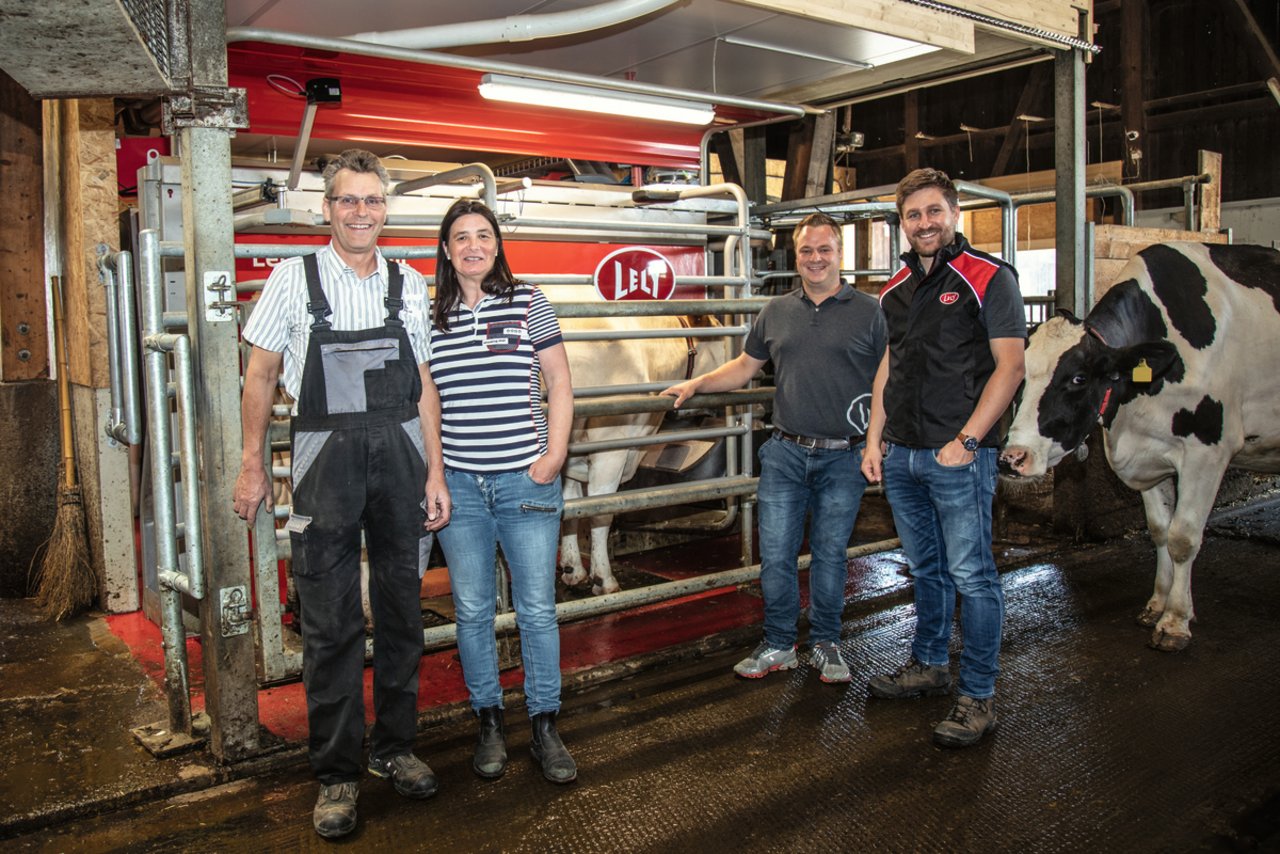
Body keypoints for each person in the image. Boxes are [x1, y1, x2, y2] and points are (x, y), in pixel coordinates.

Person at [232, 149, 450, 839]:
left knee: (401, 611)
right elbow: (260, 377)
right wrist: (250, 465)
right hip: (324, 460)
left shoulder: (408, 283)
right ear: (327, 209)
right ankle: (335, 773)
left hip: (401, 457)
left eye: (372, 201)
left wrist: (435, 471)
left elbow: (424, 385)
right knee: (329, 625)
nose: (361, 212)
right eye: (348, 201)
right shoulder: (291, 282)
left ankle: (394, 748)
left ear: (385, 209)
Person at [663, 212, 886, 684]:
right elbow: (746, 367)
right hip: (786, 450)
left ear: (840, 254)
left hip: (843, 455)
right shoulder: (776, 311)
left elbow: (887, 381)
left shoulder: (871, 312)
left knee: (830, 553)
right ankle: (780, 643)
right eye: (806, 250)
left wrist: (874, 441)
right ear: (796, 255)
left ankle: (826, 642)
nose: (815, 258)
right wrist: (696, 385)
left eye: (824, 249)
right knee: (778, 554)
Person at [860, 167, 1026, 749]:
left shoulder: (989, 277)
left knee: (973, 575)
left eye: (934, 211)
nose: (924, 223)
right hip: (903, 455)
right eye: (913, 215)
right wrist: (875, 439)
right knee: (925, 569)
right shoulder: (894, 289)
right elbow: (890, 367)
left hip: (957, 457)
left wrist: (969, 442)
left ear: (954, 214)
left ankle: (978, 695)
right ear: (901, 224)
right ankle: (930, 665)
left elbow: (1010, 367)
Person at [428, 198, 577, 784]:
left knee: (536, 609)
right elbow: (428, 401)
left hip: (525, 481)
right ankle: (488, 719)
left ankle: (545, 724)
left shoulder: (528, 301)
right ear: (446, 249)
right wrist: (435, 474)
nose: (473, 246)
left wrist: (555, 455)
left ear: (496, 244)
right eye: (460, 237)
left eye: (483, 235)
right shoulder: (429, 313)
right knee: (471, 610)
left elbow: (560, 383)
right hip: (461, 487)